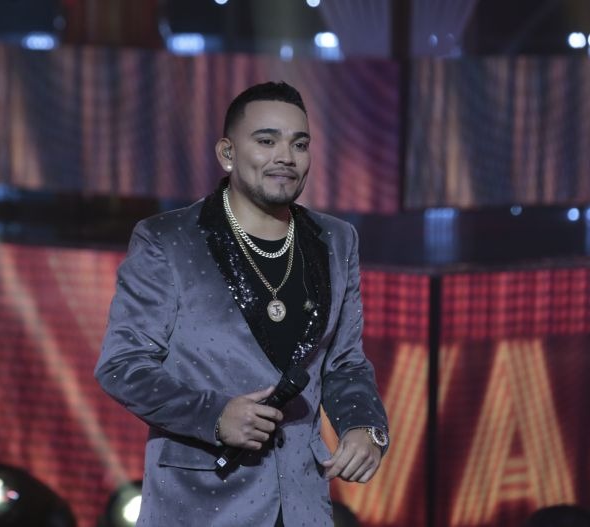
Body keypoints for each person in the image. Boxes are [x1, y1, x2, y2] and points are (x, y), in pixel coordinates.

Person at [95, 81, 389, 527]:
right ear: (227, 153)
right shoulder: (168, 240)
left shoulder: (335, 240)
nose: (285, 156)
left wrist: (364, 426)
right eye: (267, 141)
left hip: (302, 504)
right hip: (200, 503)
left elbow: (344, 363)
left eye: (299, 144)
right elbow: (122, 366)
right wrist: (215, 416)